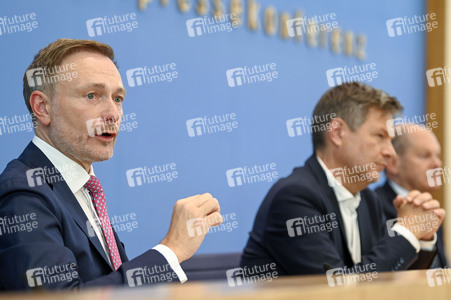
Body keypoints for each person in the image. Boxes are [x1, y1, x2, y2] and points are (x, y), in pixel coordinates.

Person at [0, 39, 222, 290]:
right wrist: (172, 250)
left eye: (117, 98)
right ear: (42, 107)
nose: (113, 114)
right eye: (92, 95)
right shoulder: (22, 192)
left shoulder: (83, 189)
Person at [241, 82, 446, 275]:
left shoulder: (368, 200)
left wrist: (423, 238)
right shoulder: (294, 198)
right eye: (380, 136)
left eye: (391, 141)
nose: (391, 152)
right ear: (337, 133)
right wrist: (405, 233)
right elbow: (338, 289)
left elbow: (391, 281)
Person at [375, 123, 448, 267]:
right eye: (424, 156)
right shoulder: (374, 206)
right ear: (393, 164)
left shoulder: (430, 207)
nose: (437, 163)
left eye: (437, 155)